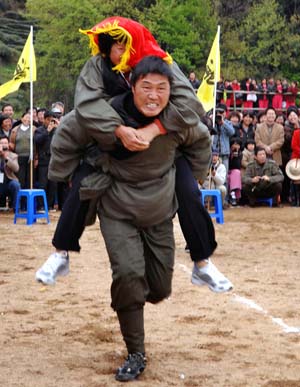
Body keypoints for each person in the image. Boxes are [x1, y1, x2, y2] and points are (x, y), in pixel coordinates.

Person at [35, 16, 232, 294]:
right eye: (111, 47)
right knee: (81, 185)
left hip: (162, 143)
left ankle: (202, 263)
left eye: (121, 46)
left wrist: (156, 128)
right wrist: (117, 130)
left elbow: (190, 105)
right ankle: (61, 253)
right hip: (110, 143)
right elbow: (86, 106)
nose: (116, 53)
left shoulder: (160, 61)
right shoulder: (98, 66)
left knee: (189, 191)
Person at [95, 56, 211, 381]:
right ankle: (136, 351)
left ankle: (127, 297)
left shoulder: (177, 120)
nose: (153, 95)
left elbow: (200, 137)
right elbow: (82, 133)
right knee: (130, 274)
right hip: (117, 208)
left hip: (158, 210)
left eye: (162, 88)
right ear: (132, 86)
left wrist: (193, 180)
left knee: (159, 288)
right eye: (146, 86)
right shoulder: (110, 112)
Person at [34, 110, 59, 210]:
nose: (50, 122)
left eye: (52, 120)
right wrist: (47, 131)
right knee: (43, 184)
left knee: (53, 184)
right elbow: (37, 140)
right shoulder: (39, 130)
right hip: (43, 160)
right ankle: (41, 205)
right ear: (44, 120)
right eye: (48, 120)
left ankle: (50, 205)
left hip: (54, 160)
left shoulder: (57, 130)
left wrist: (58, 127)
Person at [0, 135, 20, 211]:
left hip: (8, 182)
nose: (4, 145)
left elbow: (16, 169)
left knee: (16, 185)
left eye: (5, 143)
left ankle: (16, 208)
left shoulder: (13, 155)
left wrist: (6, 158)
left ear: (8, 144)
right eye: (1, 143)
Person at [228, 137, 242, 206]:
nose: (236, 146)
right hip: (227, 170)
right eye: (235, 144)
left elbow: (237, 166)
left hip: (234, 171)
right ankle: (232, 195)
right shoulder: (227, 153)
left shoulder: (240, 154)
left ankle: (234, 196)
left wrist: (235, 156)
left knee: (237, 172)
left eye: (238, 144)